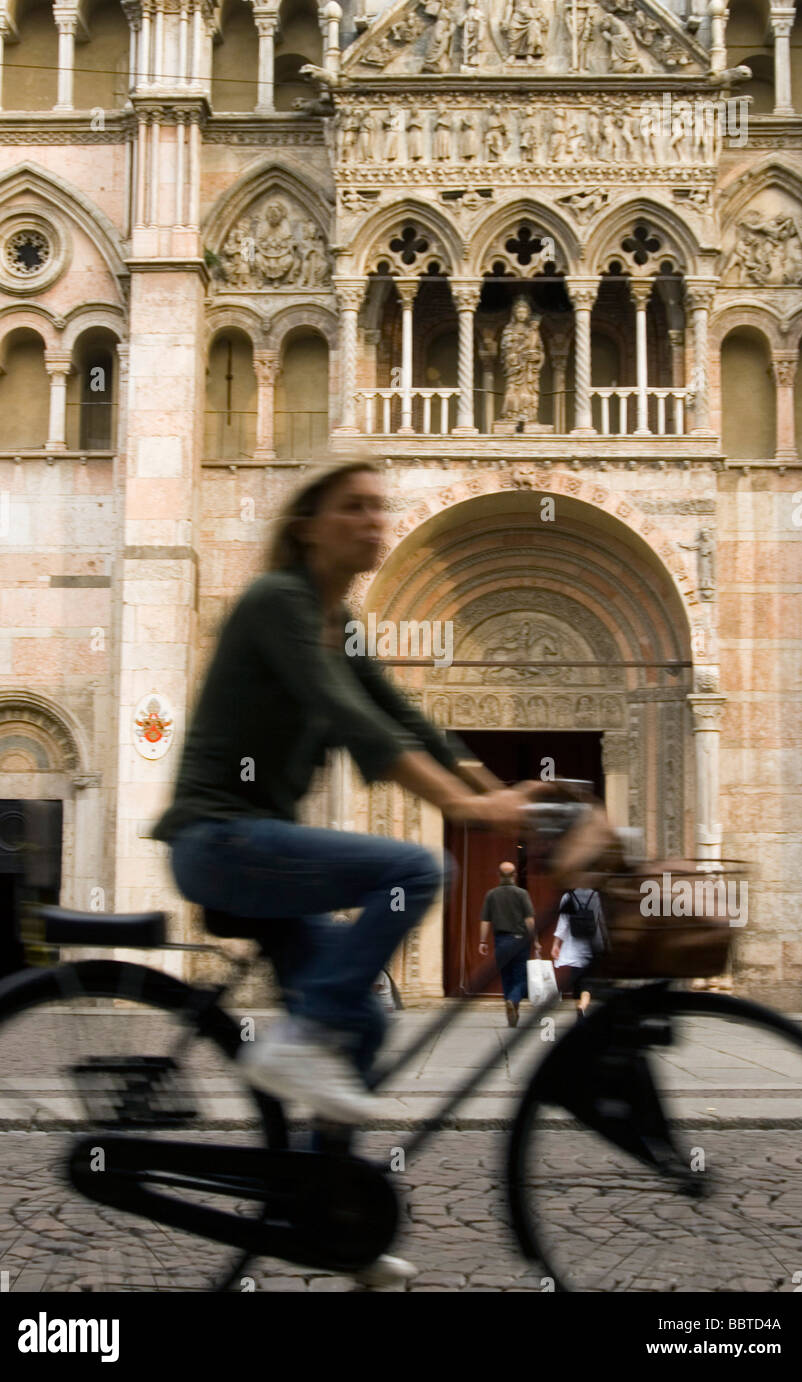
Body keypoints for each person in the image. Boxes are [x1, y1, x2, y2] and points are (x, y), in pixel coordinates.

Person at [152, 460, 543, 1129]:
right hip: (218, 840)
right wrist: (464, 808)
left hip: (257, 853)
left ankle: (316, 1216)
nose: (372, 521)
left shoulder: (344, 625)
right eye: (351, 507)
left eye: (376, 506)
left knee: (361, 1024)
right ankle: (300, 1043)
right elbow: (348, 716)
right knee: (417, 868)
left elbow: (405, 716)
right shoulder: (277, 600)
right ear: (307, 528)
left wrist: (498, 789)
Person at [479, 860, 539, 1027]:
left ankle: (511, 1008)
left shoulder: (491, 894)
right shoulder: (522, 894)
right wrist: (535, 940)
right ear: (515, 876)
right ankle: (513, 1001)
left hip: (501, 941)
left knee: (506, 976)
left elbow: (485, 920)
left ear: (498, 875)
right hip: (520, 940)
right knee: (520, 978)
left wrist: (482, 941)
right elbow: (529, 919)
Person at [551, 886, 605, 1019]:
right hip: (591, 946)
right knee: (587, 985)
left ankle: (579, 1011)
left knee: (577, 984)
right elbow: (601, 921)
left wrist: (555, 944)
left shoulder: (568, 897)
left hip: (573, 949)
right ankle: (583, 1006)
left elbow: (562, 924)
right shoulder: (596, 896)